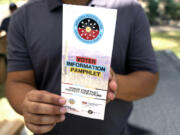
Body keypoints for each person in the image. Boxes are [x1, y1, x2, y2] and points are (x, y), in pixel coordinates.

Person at [6, 0, 159, 135]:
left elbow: (149, 80)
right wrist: (29, 105)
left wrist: (114, 84)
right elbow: (17, 81)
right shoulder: (24, 17)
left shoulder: (131, 10)